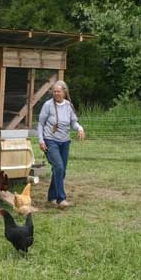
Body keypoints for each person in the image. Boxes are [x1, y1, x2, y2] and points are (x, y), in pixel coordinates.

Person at [37, 80, 85, 208]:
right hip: (50, 140)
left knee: (61, 171)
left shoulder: (68, 106)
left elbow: (74, 122)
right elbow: (41, 124)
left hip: (65, 142)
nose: (56, 94)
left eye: (59, 91)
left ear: (64, 92)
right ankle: (61, 199)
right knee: (58, 167)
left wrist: (79, 128)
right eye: (54, 91)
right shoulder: (48, 105)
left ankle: (51, 196)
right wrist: (41, 141)